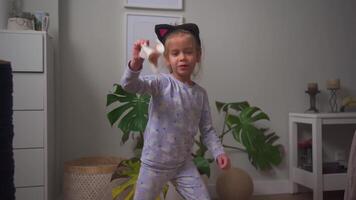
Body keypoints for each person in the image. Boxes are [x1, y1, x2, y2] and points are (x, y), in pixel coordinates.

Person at [121, 23, 230, 200]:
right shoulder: (161, 83)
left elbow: (207, 129)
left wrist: (219, 152)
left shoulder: (200, 94)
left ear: (198, 56)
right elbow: (130, 85)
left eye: (188, 52)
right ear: (167, 58)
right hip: (154, 164)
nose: (182, 58)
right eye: (175, 53)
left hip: (183, 164)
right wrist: (135, 63)